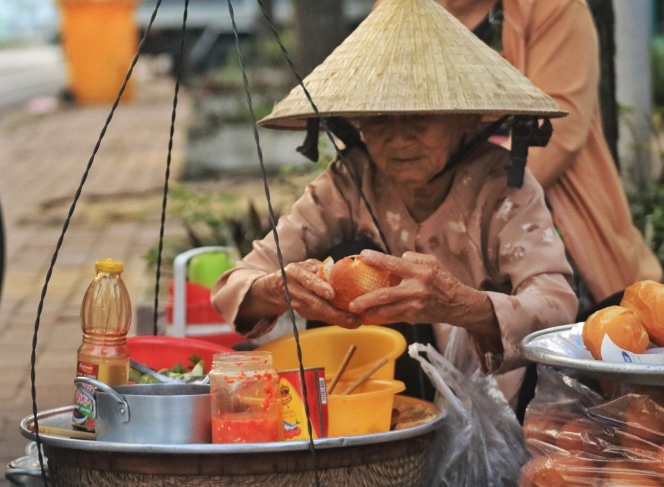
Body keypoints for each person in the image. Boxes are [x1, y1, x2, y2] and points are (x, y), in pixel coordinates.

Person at [211, 0, 578, 410]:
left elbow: (556, 305)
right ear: (359, 124)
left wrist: (462, 305)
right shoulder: (350, 180)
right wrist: (280, 288)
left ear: (466, 118)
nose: (400, 139)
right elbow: (240, 281)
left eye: (421, 116)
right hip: (383, 394)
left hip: (492, 400)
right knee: (347, 258)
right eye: (381, 118)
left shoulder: (502, 188)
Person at [431, 0, 664, 315]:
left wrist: (458, 210)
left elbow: (558, 133)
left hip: (535, 208)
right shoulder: (397, 9)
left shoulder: (554, 5)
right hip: (424, 208)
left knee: (549, 332)